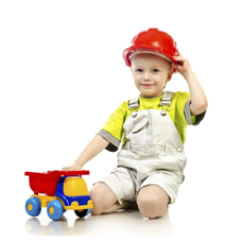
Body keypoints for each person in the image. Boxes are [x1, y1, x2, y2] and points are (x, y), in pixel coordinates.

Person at [62, 28, 208, 219]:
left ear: (169, 74)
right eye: (139, 70)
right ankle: (131, 200)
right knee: (93, 202)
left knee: (150, 205)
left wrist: (188, 73)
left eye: (155, 70)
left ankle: (147, 198)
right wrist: (78, 164)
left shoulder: (176, 101)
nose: (146, 77)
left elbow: (200, 104)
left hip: (162, 172)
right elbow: (102, 137)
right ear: (131, 71)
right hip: (128, 172)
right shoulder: (127, 107)